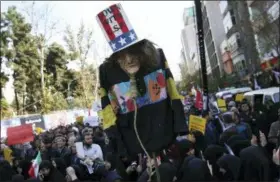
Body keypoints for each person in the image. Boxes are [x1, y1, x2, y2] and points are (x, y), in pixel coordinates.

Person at [96, 3, 187, 160]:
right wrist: (119, 146)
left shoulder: (157, 58)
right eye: (122, 55)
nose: (129, 59)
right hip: (135, 147)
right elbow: (107, 112)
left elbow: (174, 93)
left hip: (166, 138)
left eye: (132, 51)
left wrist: (181, 129)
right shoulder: (105, 72)